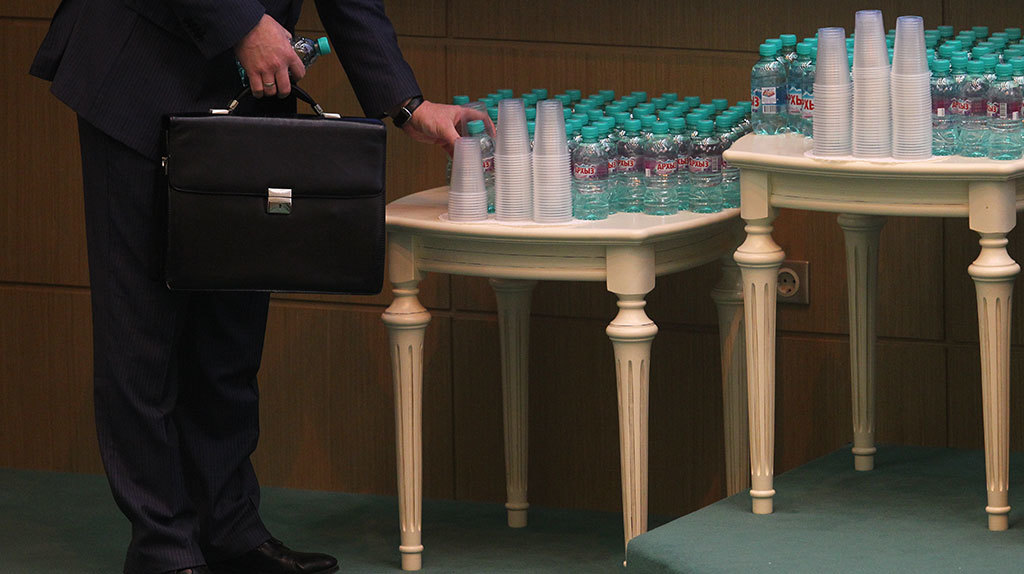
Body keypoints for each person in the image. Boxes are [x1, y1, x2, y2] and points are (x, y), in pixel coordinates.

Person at [30, 1, 487, 573]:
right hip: (139, 62)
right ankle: (163, 548)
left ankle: (229, 530)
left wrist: (406, 104)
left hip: (244, 84)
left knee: (231, 333)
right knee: (142, 334)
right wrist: (241, 23)